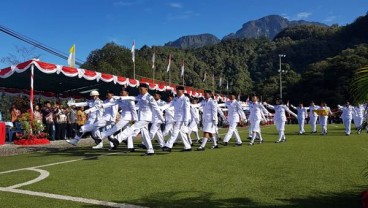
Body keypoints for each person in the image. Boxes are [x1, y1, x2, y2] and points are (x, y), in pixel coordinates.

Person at [108, 83, 164, 156]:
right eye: (139, 89)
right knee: (145, 134)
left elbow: (156, 108)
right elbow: (132, 98)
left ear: (146, 89)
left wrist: (162, 119)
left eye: (141, 89)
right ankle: (150, 150)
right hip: (141, 118)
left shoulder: (150, 98)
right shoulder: (140, 96)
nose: (140, 91)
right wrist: (120, 97)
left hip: (146, 118)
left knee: (133, 127)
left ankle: (118, 139)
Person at [162, 86, 192, 152]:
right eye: (177, 91)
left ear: (183, 91)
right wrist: (161, 108)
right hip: (176, 118)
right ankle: (188, 146)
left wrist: (186, 120)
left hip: (182, 118)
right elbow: (169, 104)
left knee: (174, 132)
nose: (177, 92)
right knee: (181, 132)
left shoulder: (185, 98)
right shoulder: (175, 99)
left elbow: (187, 109)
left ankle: (168, 146)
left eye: (179, 91)